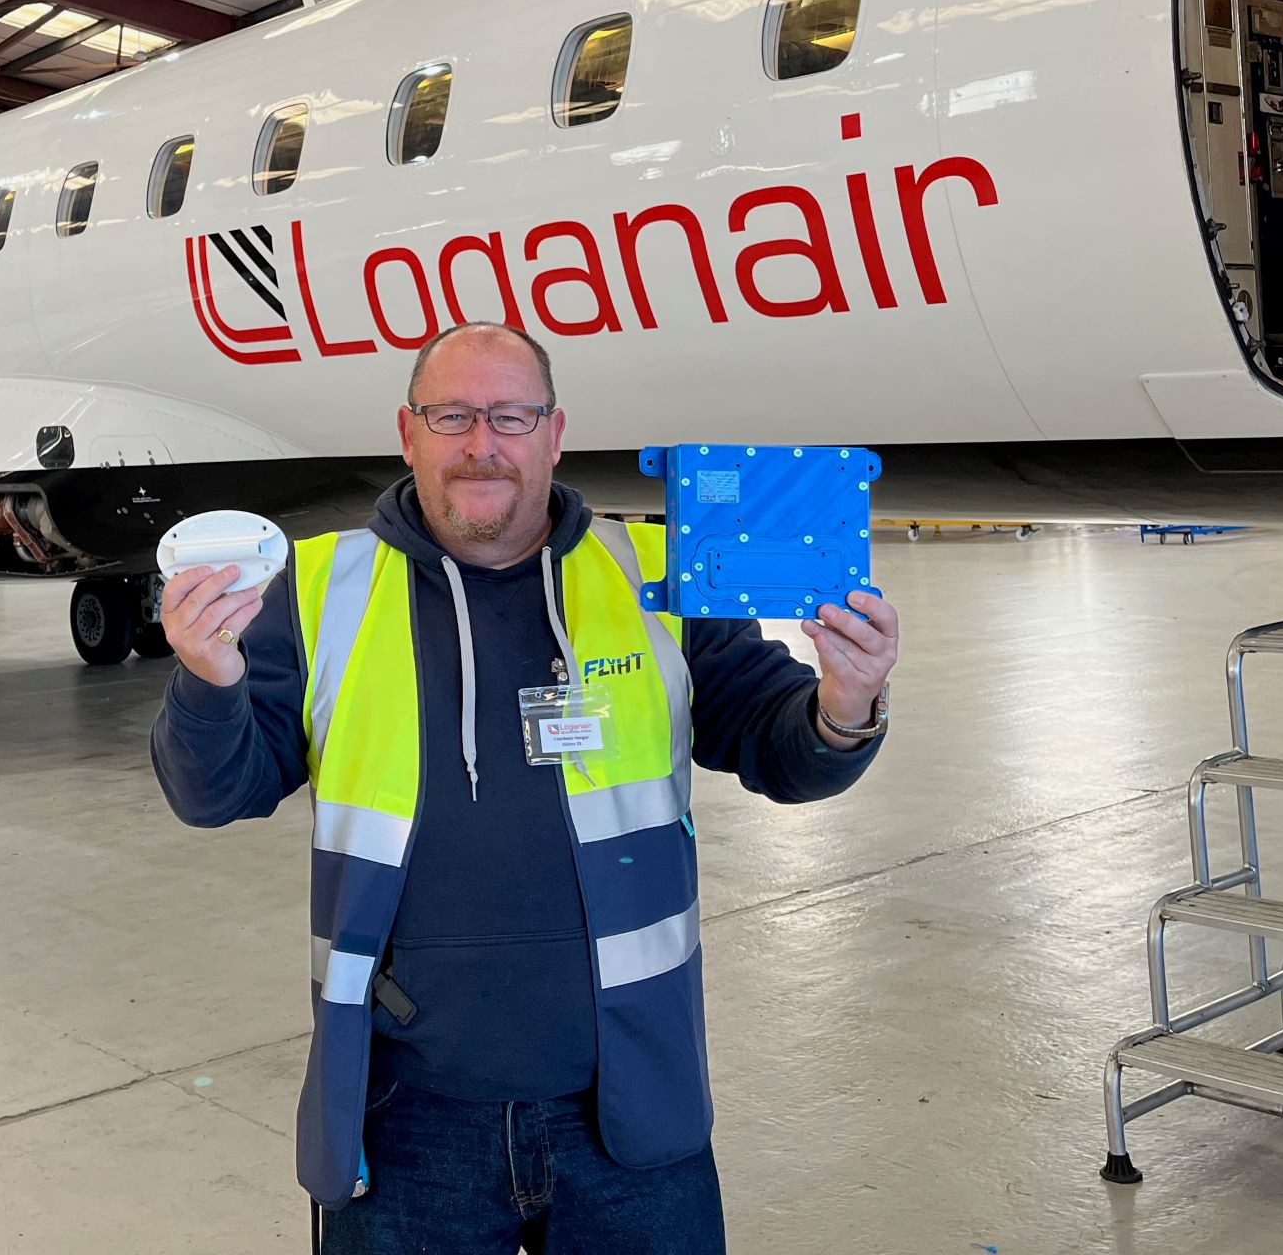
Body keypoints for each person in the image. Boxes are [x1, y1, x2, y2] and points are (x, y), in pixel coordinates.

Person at [151, 321, 900, 1253]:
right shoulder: (316, 591)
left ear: (554, 433)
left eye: (511, 416)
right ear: (408, 431)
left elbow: (778, 743)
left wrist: (844, 704)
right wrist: (208, 683)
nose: (482, 445)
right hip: (404, 1114)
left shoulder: (654, 576)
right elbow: (209, 792)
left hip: (629, 1103)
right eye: (453, 415)